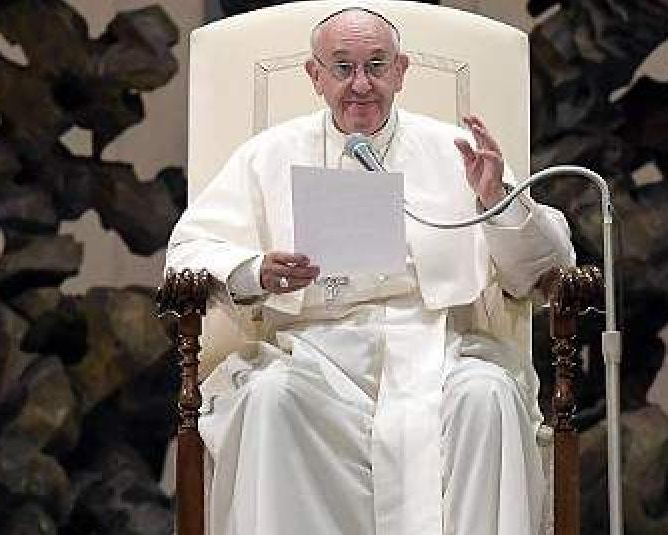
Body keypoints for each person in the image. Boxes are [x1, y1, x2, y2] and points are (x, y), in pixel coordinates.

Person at [165, 7, 574, 535]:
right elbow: (189, 249)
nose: (361, 84)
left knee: (488, 396)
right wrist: (255, 272)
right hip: (315, 358)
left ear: (401, 71)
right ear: (315, 76)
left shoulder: (458, 152)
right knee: (269, 401)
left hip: (440, 351)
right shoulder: (268, 155)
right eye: (343, 67)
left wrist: (496, 198)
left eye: (377, 66)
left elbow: (540, 269)